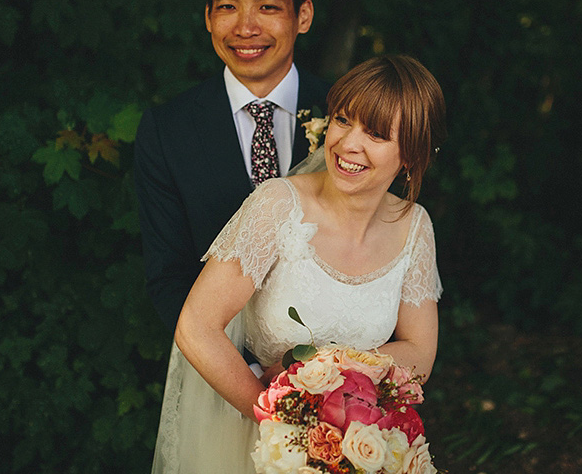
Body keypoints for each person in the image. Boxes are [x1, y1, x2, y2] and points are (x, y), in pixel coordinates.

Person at [151, 55, 447, 473]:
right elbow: (196, 327)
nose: (347, 144)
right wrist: (283, 421)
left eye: (376, 134)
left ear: (411, 156)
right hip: (261, 441)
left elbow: (419, 350)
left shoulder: (414, 227)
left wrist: (332, 380)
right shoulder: (277, 206)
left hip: (352, 445)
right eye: (344, 120)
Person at [134, 0, 330, 334]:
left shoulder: (348, 115)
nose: (245, 27)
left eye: (267, 6)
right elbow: (167, 276)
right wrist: (243, 370)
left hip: (333, 367)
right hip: (215, 364)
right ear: (208, 17)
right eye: (228, 7)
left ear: (303, 16)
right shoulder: (167, 130)